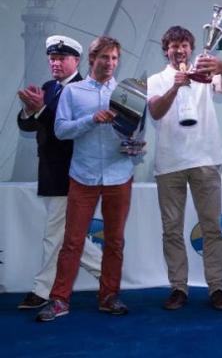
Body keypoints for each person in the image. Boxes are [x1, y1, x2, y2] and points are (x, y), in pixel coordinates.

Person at [36, 36, 139, 321]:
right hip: (83, 176)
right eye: (105, 58)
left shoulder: (127, 92)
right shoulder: (73, 92)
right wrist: (92, 119)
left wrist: (135, 145)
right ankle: (59, 300)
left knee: (115, 241)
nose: (110, 63)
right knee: (72, 241)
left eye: (115, 58)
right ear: (92, 60)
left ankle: (109, 296)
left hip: (120, 175)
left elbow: (136, 132)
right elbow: (61, 131)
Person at [147, 26, 222, 311]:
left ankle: (217, 287)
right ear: (166, 50)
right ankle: (178, 288)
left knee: (212, 228)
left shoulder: (204, 74)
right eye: (173, 46)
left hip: (206, 160)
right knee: (172, 230)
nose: (179, 50)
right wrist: (176, 85)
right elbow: (156, 111)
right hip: (170, 164)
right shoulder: (156, 79)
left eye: (184, 45)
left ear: (191, 48)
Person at [17, 35, 103, 310]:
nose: (55, 63)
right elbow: (30, 127)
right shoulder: (49, 87)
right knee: (69, 236)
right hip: (51, 172)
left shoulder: (83, 90)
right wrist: (30, 110)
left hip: (73, 172)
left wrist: (40, 109)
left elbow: (66, 132)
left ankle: (42, 291)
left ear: (76, 60)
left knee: (54, 234)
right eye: (52, 58)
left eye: (61, 58)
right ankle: (109, 274)